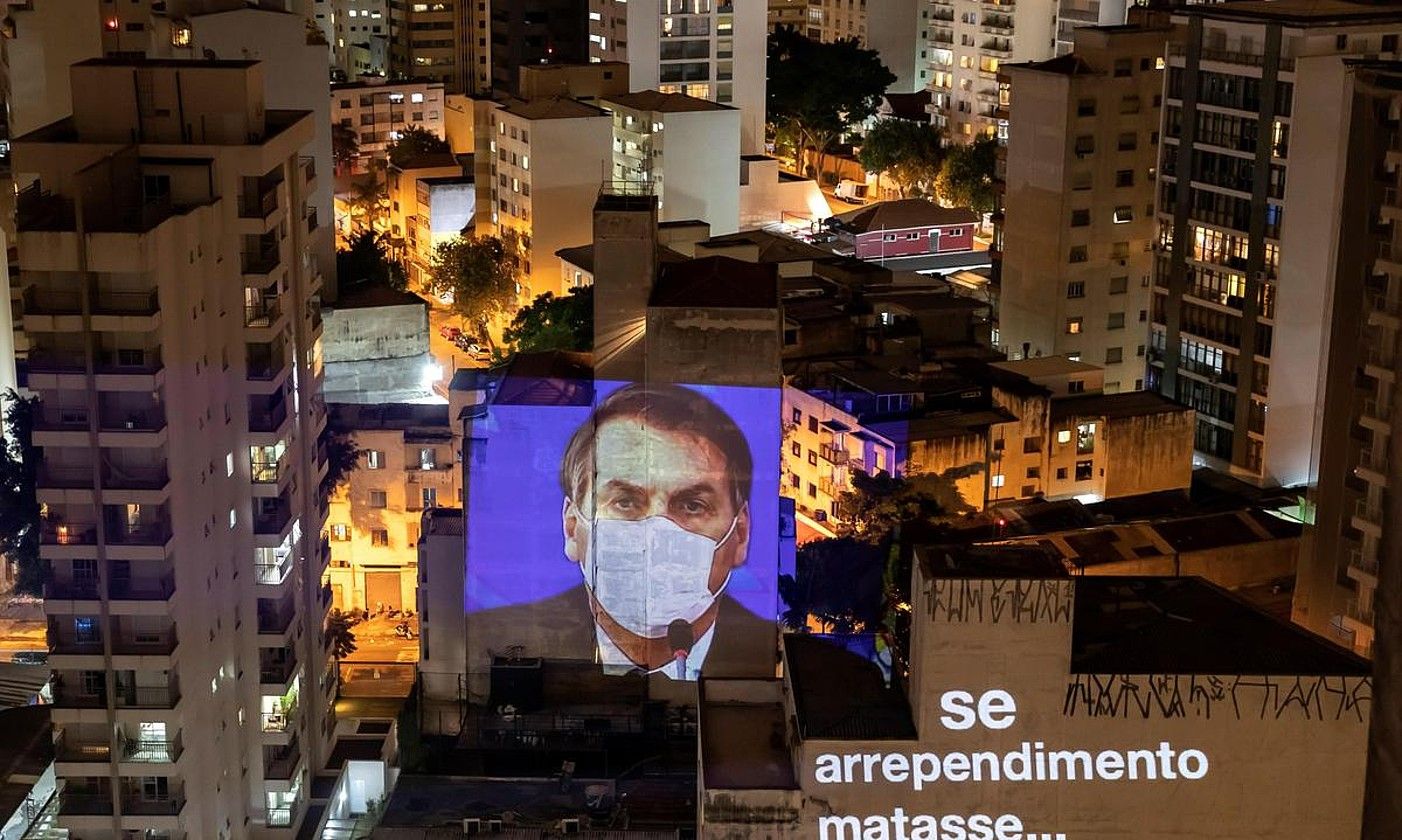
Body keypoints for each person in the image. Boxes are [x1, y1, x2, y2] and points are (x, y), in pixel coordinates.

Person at [470, 383, 775, 681]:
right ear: (572, 527)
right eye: (626, 502)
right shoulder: (495, 639)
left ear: (742, 534)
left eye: (693, 506)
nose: (656, 536)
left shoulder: (775, 654)